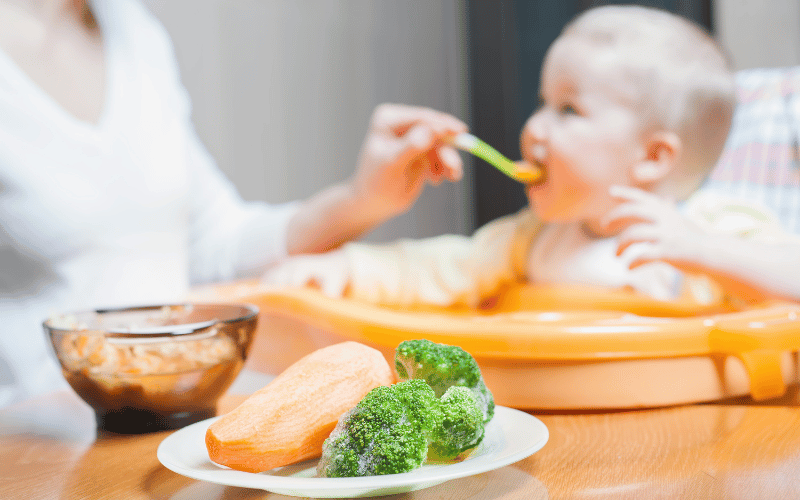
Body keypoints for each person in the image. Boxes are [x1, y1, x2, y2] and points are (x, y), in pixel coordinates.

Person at [0, 0, 467, 406]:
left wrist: (363, 198)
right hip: (36, 456)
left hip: (172, 426)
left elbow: (216, 242)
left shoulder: (133, 31)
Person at [264, 5, 800, 309]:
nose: (534, 127)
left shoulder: (711, 227)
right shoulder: (533, 239)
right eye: (541, 102)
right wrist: (346, 268)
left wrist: (705, 250)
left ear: (653, 158)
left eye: (568, 110)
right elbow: (441, 268)